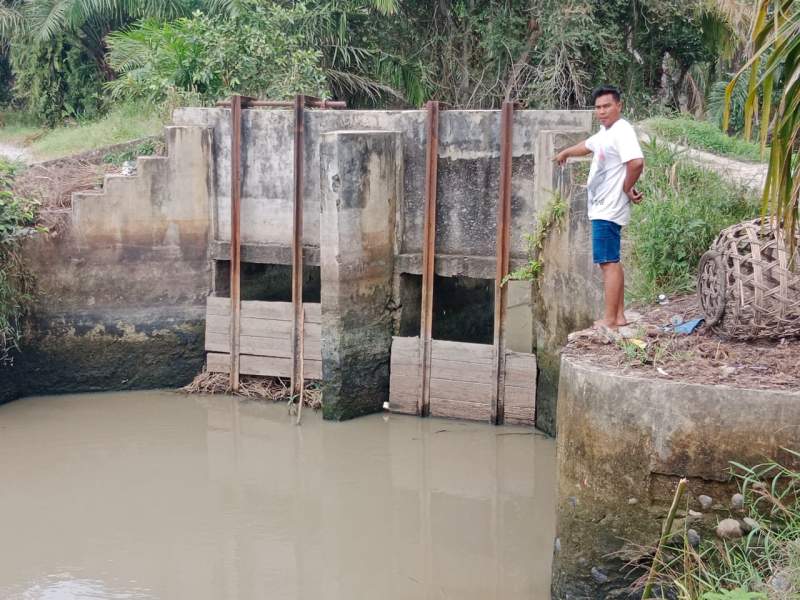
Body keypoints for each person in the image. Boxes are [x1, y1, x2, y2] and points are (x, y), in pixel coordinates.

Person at [554, 85, 644, 330]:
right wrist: (565, 153)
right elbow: (588, 145)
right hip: (604, 207)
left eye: (607, 106)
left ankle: (610, 320)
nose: (602, 111)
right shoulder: (607, 132)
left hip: (608, 208)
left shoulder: (622, 130)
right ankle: (620, 315)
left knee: (608, 263)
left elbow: (636, 163)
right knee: (612, 260)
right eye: (598, 107)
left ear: (619, 106)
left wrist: (626, 187)